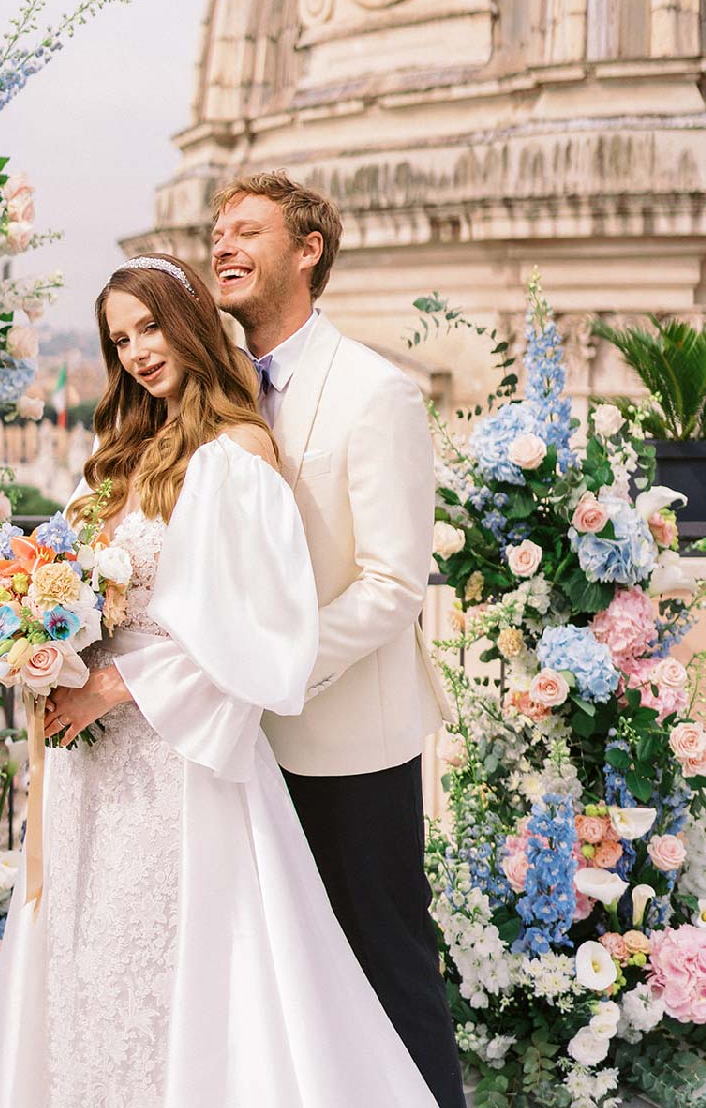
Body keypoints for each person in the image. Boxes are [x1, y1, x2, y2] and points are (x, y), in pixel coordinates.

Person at [0, 253, 436, 1108]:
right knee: (90, 964)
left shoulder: (235, 450)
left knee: (179, 970)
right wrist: (41, 638)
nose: (139, 351)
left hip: (179, 768)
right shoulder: (116, 458)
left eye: (151, 326)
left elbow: (251, 634)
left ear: (188, 323)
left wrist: (110, 689)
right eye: (120, 339)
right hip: (91, 769)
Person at [211, 171, 465, 1108]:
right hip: (242, 744)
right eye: (216, 232)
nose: (223, 246)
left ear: (307, 250)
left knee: (386, 962)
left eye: (247, 230)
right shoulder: (217, 393)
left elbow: (396, 586)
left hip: (350, 739)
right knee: (281, 977)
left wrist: (271, 671)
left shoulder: (374, 391)